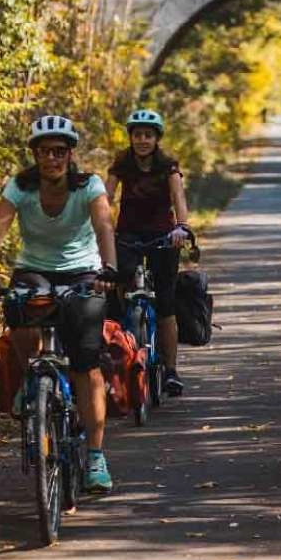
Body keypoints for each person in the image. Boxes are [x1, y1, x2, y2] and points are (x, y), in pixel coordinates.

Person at [0, 114, 119, 494]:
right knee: (18, 313)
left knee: (86, 363)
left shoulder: (88, 185)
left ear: (70, 155)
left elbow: (103, 226)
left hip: (83, 273)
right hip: (34, 269)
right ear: (34, 156)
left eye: (59, 151)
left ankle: (97, 457)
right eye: (43, 152)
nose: (51, 158)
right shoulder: (20, 187)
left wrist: (109, 268)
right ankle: (29, 378)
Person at [104, 108, 194, 396]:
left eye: (148, 135)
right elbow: (104, 198)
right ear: (130, 138)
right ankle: (118, 354)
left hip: (164, 236)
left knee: (166, 301)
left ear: (157, 139)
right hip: (128, 234)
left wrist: (182, 227)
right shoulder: (122, 164)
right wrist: (99, 226)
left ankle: (170, 370)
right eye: (137, 135)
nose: (142, 140)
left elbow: (178, 197)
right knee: (118, 283)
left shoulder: (168, 166)